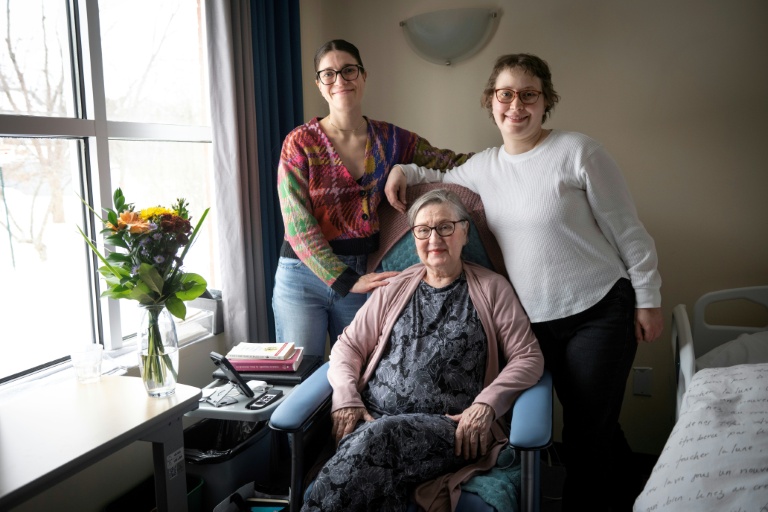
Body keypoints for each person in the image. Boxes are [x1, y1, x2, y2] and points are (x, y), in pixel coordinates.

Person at [385, 54, 663, 511]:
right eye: (505, 94)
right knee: (596, 427)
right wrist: (404, 171)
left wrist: (648, 299)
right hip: (534, 321)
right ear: (491, 102)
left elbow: (628, 231)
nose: (516, 105)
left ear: (546, 101)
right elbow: (438, 179)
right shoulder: (485, 166)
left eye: (528, 94)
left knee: (586, 430)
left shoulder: (579, 151)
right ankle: (644, 494)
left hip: (598, 309)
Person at [302, 189, 544, 512]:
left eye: (445, 227)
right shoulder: (394, 287)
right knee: (377, 464)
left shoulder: (492, 288)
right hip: (373, 419)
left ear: (464, 232)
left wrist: (486, 404)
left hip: (450, 429)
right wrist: (346, 397)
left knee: (379, 439)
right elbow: (348, 346)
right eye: (423, 230)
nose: (434, 238)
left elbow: (528, 356)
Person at [274, 39, 470, 358]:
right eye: (328, 74)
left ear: (363, 76)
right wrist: (345, 280)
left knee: (360, 368)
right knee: (300, 375)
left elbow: (450, 163)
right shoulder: (300, 143)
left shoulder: (391, 139)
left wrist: (404, 169)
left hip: (364, 271)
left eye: (349, 70)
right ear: (319, 84)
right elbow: (298, 225)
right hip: (302, 276)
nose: (340, 80)